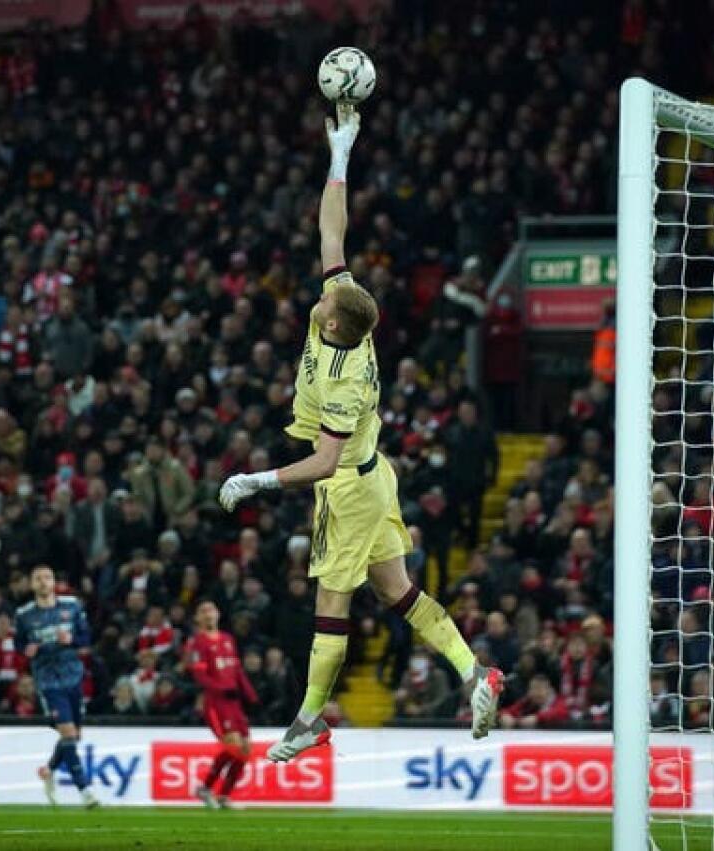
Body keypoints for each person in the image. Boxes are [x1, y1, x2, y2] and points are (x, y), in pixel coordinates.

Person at [219, 103, 503, 762]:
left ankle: (309, 718)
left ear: (335, 326)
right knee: (397, 590)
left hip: (347, 485)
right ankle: (473, 673)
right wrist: (340, 154)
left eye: (323, 300)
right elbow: (331, 235)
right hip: (375, 477)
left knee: (331, 603)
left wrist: (256, 480)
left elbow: (321, 462)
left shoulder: (345, 377)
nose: (317, 295)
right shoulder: (346, 312)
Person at [15, 564, 99, 809]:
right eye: (37, 578)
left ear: (54, 582)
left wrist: (72, 640)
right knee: (68, 733)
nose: (42, 582)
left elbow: (86, 638)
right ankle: (85, 790)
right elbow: (19, 643)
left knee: (74, 736)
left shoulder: (71, 606)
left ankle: (49, 770)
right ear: (32, 585)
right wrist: (25, 650)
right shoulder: (24, 614)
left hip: (73, 675)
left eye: (47, 577)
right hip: (48, 681)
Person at [184, 599, 259, 808]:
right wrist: (220, 688)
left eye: (211, 609)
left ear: (218, 614)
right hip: (216, 703)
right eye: (203, 611)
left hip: (234, 704)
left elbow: (236, 670)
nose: (208, 613)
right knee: (234, 747)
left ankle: (224, 796)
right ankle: (205, 788)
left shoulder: (228, 639)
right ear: (198, 618)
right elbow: (200, 676)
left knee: (245, 751)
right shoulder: (197, 642)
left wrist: (250, 693)